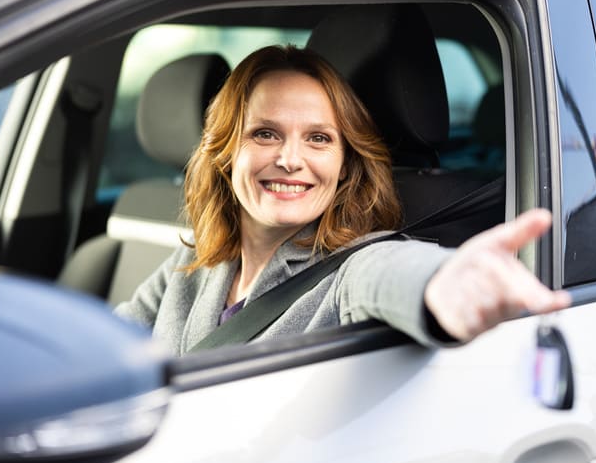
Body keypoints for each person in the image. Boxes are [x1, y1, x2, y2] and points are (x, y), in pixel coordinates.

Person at [115, 45, 570, 355]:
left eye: (318, 138)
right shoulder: (195, 260)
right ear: (225, 151)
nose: (291, 160)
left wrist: (444, 285)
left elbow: (393, 274)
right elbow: (106, 340)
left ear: (344, 163)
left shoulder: (351, 267)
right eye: (265, 133)